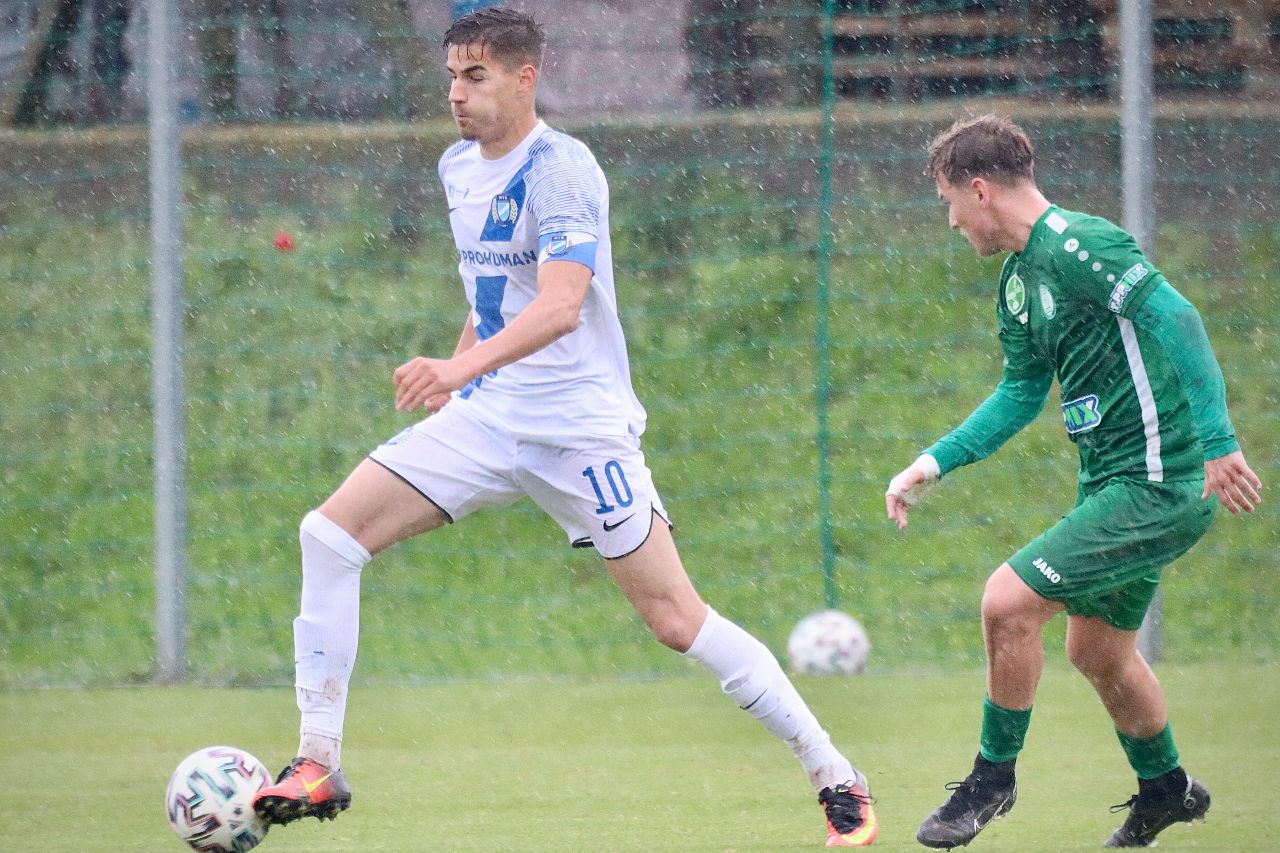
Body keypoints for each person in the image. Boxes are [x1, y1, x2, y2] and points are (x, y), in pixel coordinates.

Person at [251, 7, 878, 847]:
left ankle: (833, 771)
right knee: (329, 536)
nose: (457, 94)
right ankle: (317, 759)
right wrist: (461, 371)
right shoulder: (455, 166)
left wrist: (456, 371)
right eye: (451, 76)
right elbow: (494, 294)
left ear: (525, 78)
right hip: (487, 417)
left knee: (677, 619)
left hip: (582, 432)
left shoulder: (562, 170)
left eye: (476, 76)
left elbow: (559, 305)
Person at [886, 114, 1262, 849]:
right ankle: (1166, 788)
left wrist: (1219, 443)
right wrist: (932, 462)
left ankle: (991, 779)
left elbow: (1179, 319)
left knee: (1007, 604)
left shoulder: (1082, 244)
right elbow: (1020, 393)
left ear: (980, 190)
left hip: (1159, 483)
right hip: (1112, 486)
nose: (950, 221)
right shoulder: (1018, 281)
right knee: (1097, 652)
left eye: (948, 202)